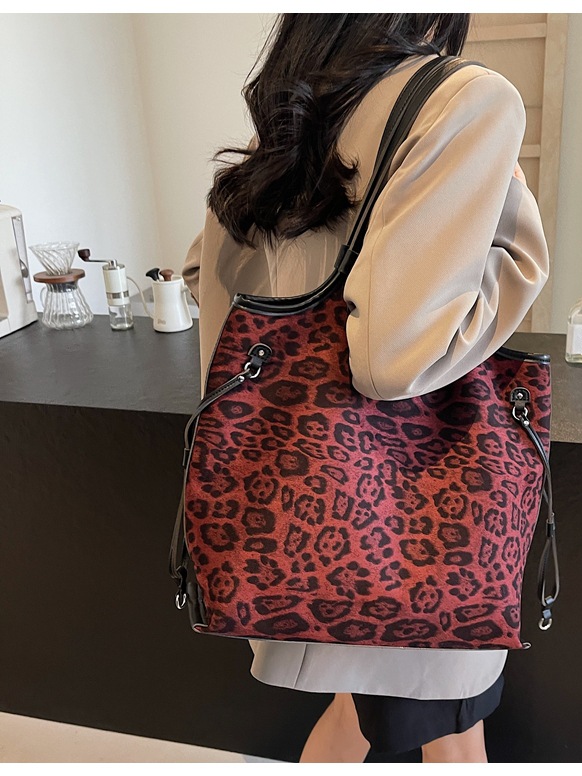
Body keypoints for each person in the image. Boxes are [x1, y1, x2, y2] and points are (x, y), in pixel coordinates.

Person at [182, 13, 549, 763]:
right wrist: (515, 228)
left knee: (354, 716)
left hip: (300, 513)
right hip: (422, 533)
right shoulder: (465, 97)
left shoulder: (294, 110)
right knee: (454, 743)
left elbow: (202, 273)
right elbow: (393, 360)